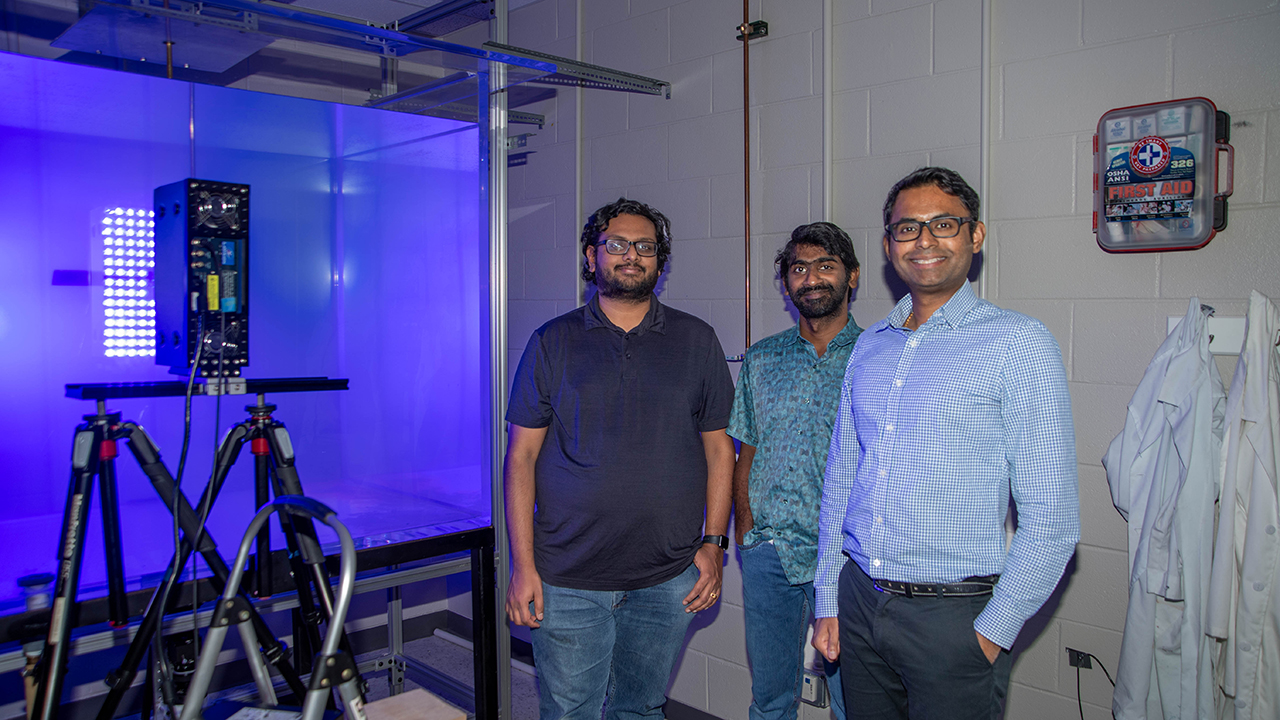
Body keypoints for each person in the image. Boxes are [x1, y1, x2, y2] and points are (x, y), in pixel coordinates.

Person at [811, 167, 1080, 719]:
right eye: (908, 228)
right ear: (888, 246)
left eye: (944, 224)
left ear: (975, 236)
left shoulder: (1018, 344)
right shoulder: (869, 349)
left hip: (955, 619)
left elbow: (1052, 520)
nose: (925, 240)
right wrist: (829, 598)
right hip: (860, 604)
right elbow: (841, 479)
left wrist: (992, 632)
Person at [504, 197, 736, 720]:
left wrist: (714, 546)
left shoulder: (696, 340)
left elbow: (721, 448)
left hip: (669, 573)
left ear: (660, 260)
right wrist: (523, 566)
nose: (632, 255)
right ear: (592, 257)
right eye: (617, 245)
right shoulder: (552, 342)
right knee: (570, 712)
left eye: (646, 247)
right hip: (567, 576)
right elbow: (520, 458)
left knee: (640, 709)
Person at [728, 222, 862, 720]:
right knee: (771, 699)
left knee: (855, 703)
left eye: (825, 265)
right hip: (770, 554)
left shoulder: (875, 357)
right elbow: (747, 450)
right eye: (798, 268)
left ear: (852, 277)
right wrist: (746, 531)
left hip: (848, 558)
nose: (811, 278)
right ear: (786, 283)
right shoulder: (763, 358)